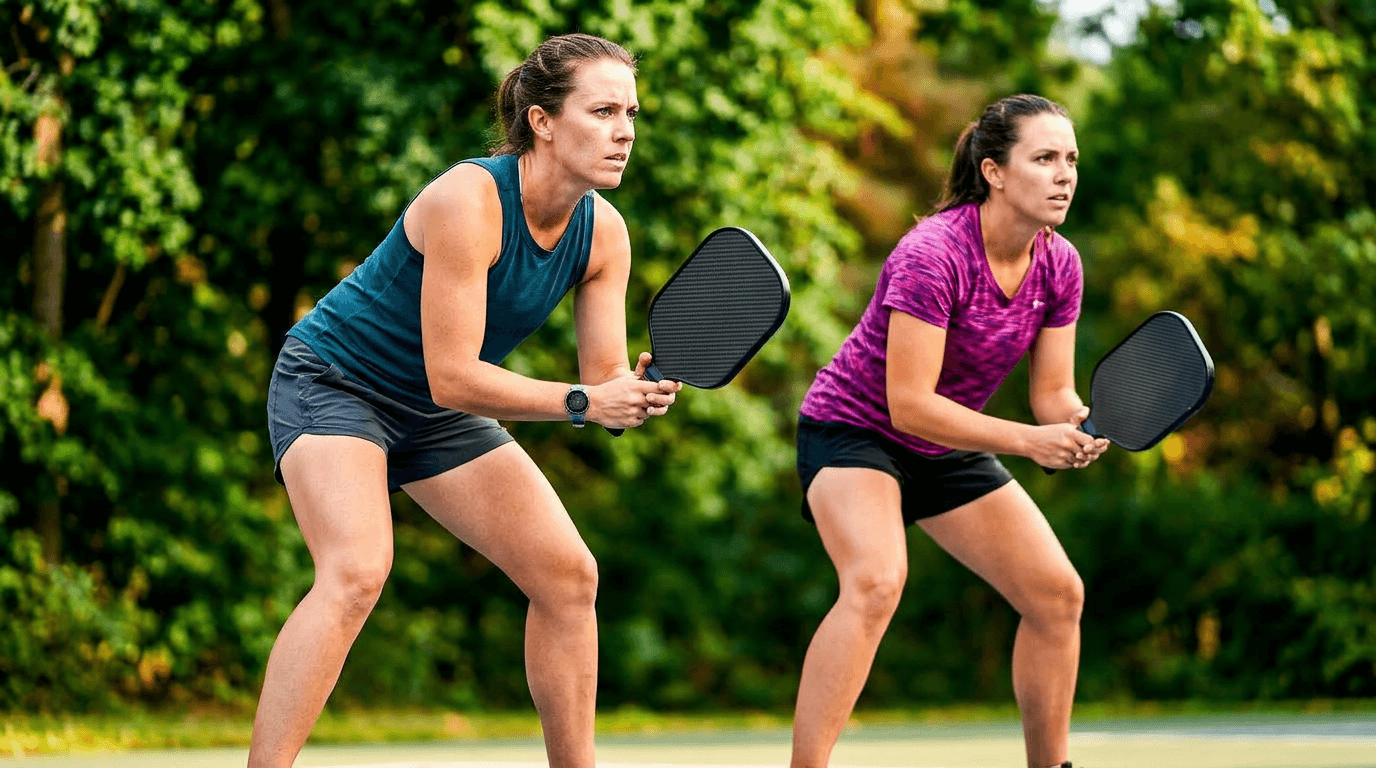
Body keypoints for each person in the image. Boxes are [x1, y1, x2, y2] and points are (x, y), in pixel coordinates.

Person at [250, 33, 679, 768]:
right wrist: (584, 402)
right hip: (334, 380)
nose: (625, 131)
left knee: (570, 577)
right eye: (603, 110)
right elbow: (455, 375)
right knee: (356, 569)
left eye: (631, 112)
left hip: (434, 412)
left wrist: (626, 394)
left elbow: (599, 373)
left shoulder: (604, 234)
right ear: (542, 121)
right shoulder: (468, 199)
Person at [789, 94, 1108, 768]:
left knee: (1057, 596)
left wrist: (1075, 425)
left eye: (1071, 159)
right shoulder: (933, 253)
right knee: (876, 579)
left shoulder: (1061, 265)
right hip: (853, 430)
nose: (1065, 174)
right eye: (1044, 158)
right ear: (993, 171)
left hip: (946, 443)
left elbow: (1051, 393)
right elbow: (908, 406)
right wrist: (1029, 441)